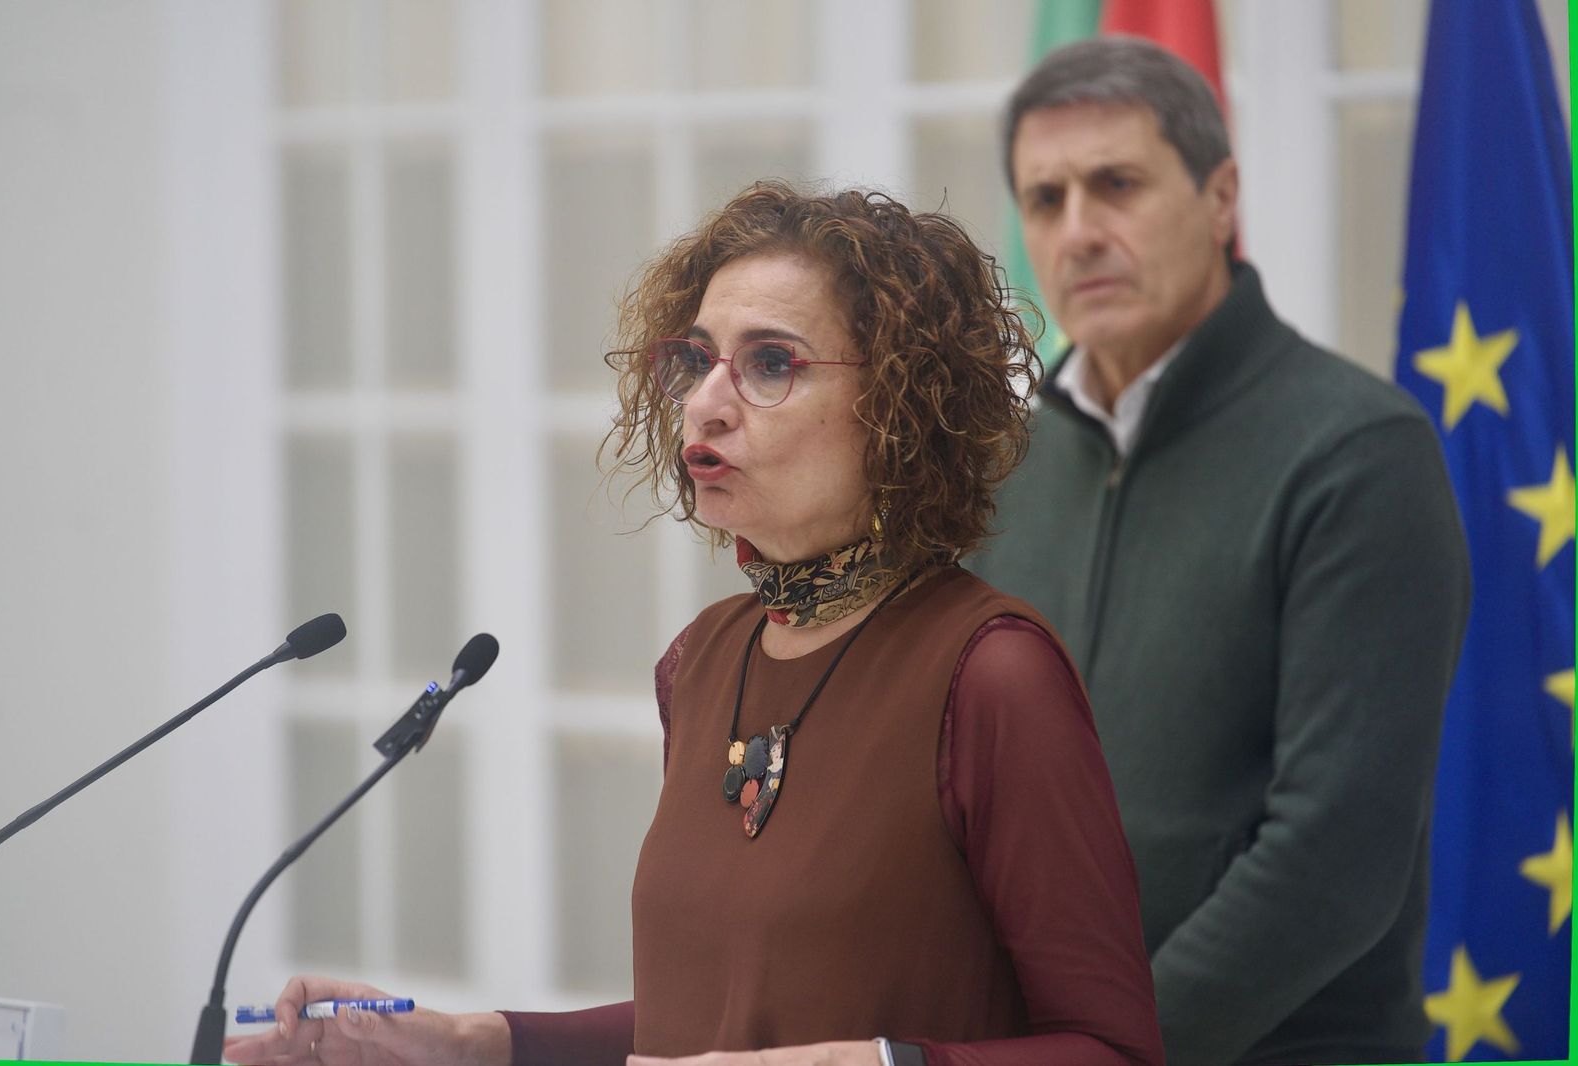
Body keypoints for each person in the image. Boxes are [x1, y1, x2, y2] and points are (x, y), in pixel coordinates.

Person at [225, 182, 1165, 1066]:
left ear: (900, 406)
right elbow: (714, 1016)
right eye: (697, 360)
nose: (706, 405)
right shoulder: (705, 657)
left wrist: (876, 1062)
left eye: (769, 364)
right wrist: (475, 1041)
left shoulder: (992, 673)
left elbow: (1111, 1049)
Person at [975, 36, 1472, 1066]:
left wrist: (1107, 1051)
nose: (1078, 232)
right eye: (1045, 199)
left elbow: (1333, 856)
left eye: (1117, 185)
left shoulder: (1357, 455)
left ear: (1220, 197)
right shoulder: (1001, 469)